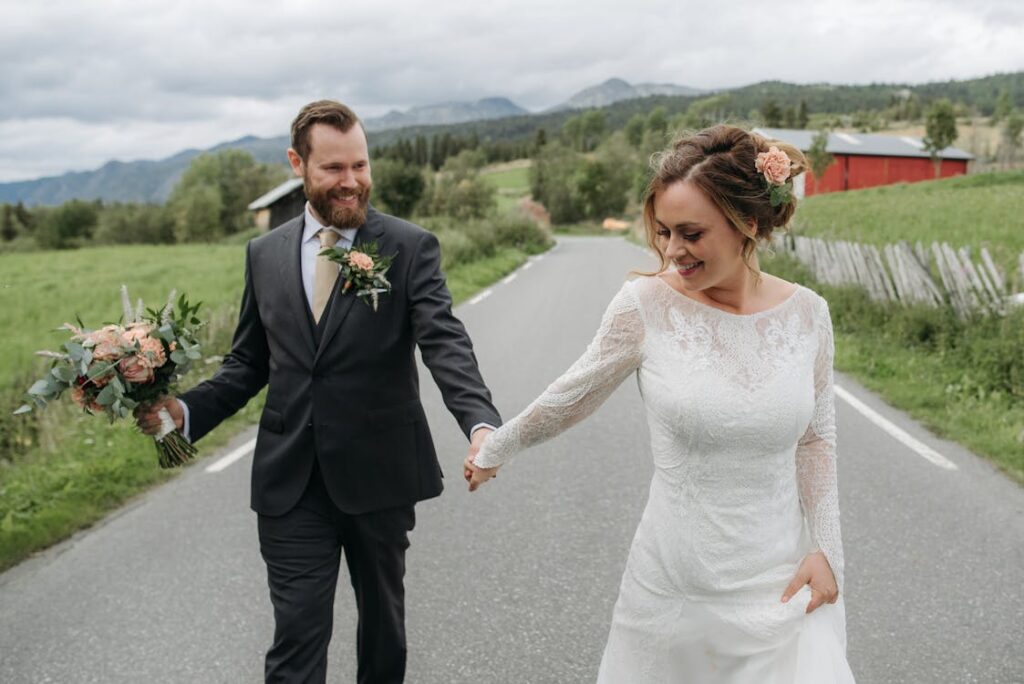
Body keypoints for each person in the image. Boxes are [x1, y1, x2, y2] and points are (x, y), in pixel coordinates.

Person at [465, 125, 855, 683]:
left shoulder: (808, 315)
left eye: (691, 233)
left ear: (748, 223)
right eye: (666, 231)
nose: (672, 250)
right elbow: (574, 392)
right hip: (673, 596)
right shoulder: (646, 305)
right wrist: (495, 447)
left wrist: (828, 552)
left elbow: (816, 440)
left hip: (781, 589)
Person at [138, 100, 501, 684]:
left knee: (383, 628)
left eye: (360, 165)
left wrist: (482, 424)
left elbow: (444, 342)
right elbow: (248, 363)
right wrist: (181, 412)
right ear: (297, 164)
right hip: (290, 482)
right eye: (334, 168)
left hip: (379, 475)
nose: (351, 181)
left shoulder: (409, 247)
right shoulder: (264, 254)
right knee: (296, 636)